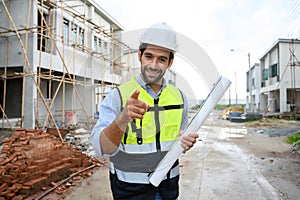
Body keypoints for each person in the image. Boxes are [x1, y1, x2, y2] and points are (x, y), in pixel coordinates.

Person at [90, 22, 199, 200]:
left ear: (170, 62)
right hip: (129, 191)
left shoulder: (180, 98)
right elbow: (102, 148)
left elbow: (177, 142)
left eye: (162, 59)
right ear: (139, 56)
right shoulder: (118, 96)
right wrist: (123, 118)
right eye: (149, 56)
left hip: (168, 189)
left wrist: (185, 143)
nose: (154, 65)